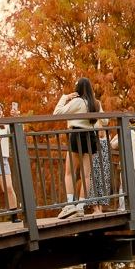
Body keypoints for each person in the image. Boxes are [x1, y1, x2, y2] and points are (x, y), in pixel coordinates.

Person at [54, 77, 105, 218]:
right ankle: (81, 206)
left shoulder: (77, 101)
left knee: (70, 172)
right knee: (86, 174)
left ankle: (70, 205)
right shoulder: (96, 103)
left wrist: (65, 97)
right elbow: (105, 120)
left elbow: (57, 113)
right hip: (91, 137)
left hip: (77, 135)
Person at [111, 116, 135, 210]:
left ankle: (123, 208)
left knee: (124, 187)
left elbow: (112, 145)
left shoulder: (124, 133)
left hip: (127, 163)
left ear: (129, 123)